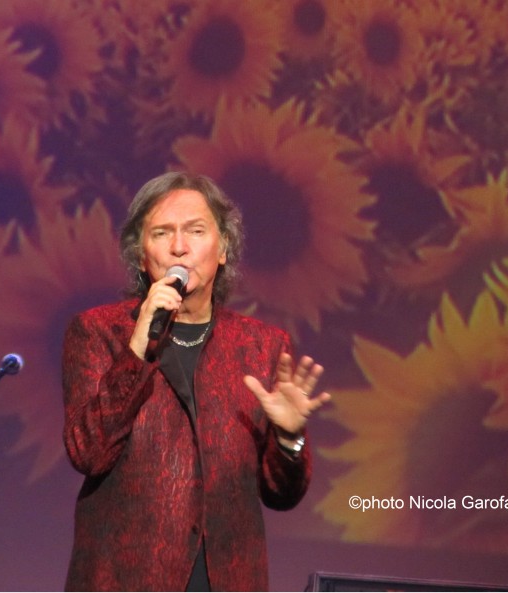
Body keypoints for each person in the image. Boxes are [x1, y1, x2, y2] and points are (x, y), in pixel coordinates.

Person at [61, 171, 331, 592]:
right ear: (141, 255)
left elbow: (282, 494)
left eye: (196, 231)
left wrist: (289, 438)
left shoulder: (261, 346)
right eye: (161, 233)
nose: (179, 247)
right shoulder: (99, 332)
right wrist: (137, 349)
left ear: (223, 249)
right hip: (127, 579)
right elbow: (89, 453)